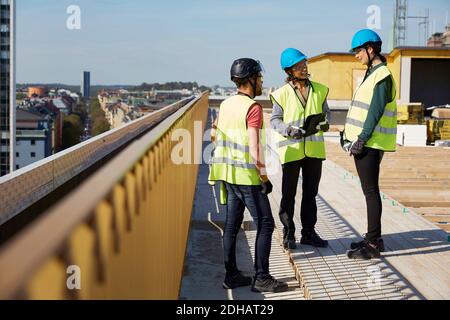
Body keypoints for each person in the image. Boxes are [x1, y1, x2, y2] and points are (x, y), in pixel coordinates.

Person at [209, 58, 288, 293]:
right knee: (265, 223)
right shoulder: (252, 108)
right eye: (260, 78)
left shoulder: (225, 104)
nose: (262, 81)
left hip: (227, 173)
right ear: (251, 80)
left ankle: (231, 275)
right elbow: (254, 149)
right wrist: (264, 177)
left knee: (232, 225)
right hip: (246, 175)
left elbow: (214, 134)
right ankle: (262, 277)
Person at [343, 29, 397, 260]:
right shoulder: (371, 73)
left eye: (358, 51)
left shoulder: (381, 75)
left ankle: (373, 243)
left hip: (371, 143)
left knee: (371, 192)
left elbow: (374, 113)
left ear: (370, 49)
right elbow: (361, 109)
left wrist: (361, 139)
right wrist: (346, 133)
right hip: (363, 142)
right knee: (369, 191)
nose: (356, 55)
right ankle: (373, 237)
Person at [270, 48, 330, 250]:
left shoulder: (320, 90)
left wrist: (324, 125)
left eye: (304, 64)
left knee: (310, 194)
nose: (304, 68)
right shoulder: (281, 94)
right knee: (288, 194)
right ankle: (288, 233)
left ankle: (309, 233)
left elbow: (326, 115)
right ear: (289, 71)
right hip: (292, 150)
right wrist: (288, 130)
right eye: (298, 66)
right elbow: (274, 120)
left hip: (314, 150)